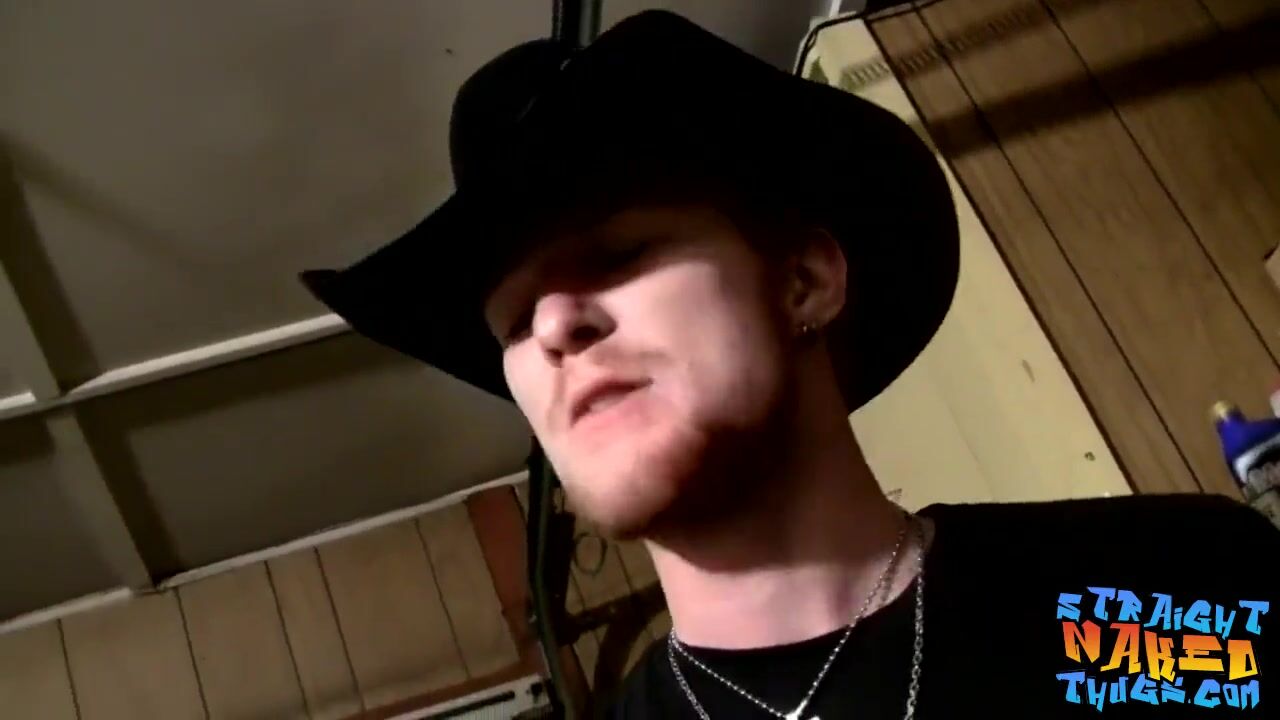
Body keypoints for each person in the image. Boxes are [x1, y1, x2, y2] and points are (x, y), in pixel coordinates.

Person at [300, 10, 1278, 719]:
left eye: (617, 255)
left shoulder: (1163, 594)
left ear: (804, 281)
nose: (552, 324)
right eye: (513, 323)